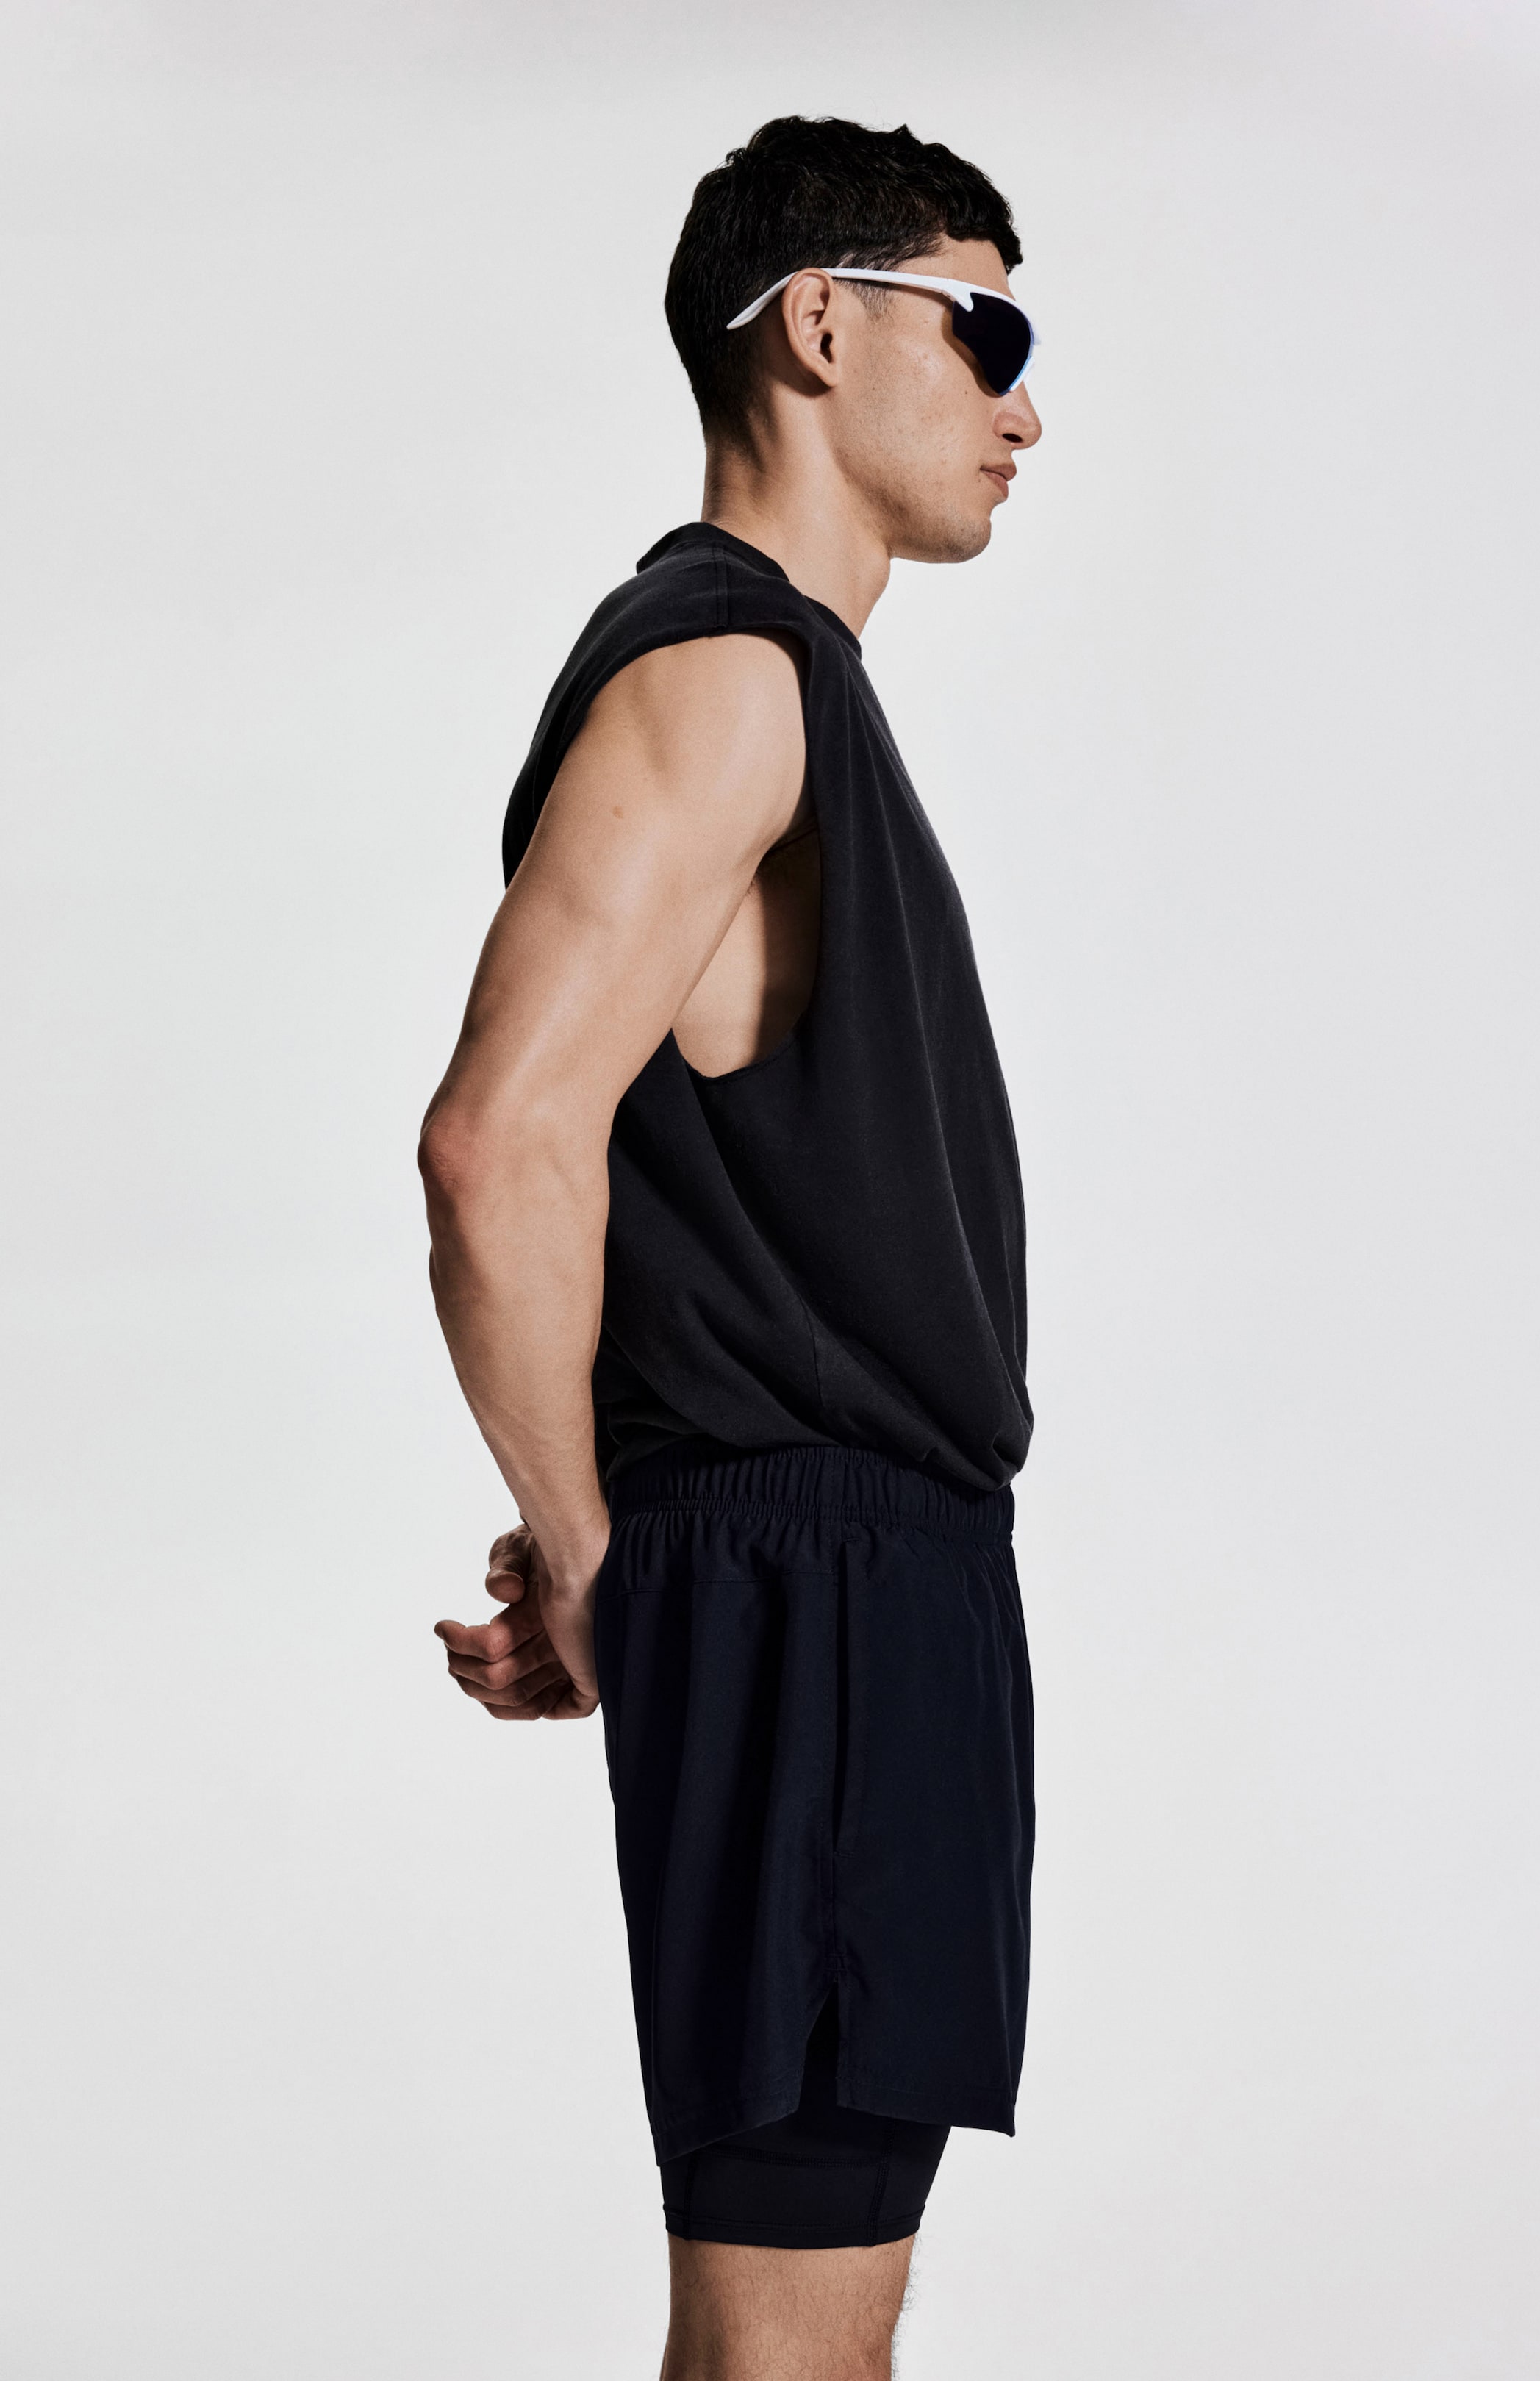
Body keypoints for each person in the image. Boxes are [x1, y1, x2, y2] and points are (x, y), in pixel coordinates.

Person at [418, 112, 1042, 2381]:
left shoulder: (770, 685)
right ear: (821, 326)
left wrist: (621, 1512)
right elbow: (499, 1144)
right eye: (986, 334)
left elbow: (643, 1180)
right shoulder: (729, 677)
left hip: (848, 1591)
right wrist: (603, 1552)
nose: (1024, 411)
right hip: (826, 1603)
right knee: (792, 2355)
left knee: (781, 2342)